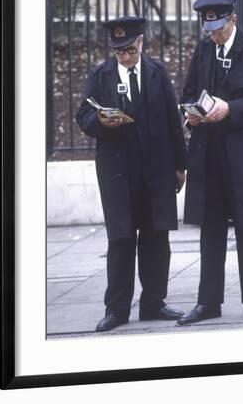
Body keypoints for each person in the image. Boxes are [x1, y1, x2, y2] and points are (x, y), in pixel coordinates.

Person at [76, 16, 186, 332]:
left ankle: (154, 302)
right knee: (121, 239)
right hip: (118, 172)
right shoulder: (101, 75)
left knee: (156, 238)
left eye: (129, 50)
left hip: (154, 170)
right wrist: (100, 122)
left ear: (140, 43)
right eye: (118, 52)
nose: (124, 57)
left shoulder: (157, 73)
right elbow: (83, 115)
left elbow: (172, 120)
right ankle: (117, 309)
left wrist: (180, 165)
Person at [177, 0, 243, 326]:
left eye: (219, 28)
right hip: (210, 154)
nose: (214, 35)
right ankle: (209, 302)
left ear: (233, 19)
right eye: (209, 30)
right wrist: (192, 113)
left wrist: (230, 109)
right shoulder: (204, 50)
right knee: (210, 229)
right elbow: (189, 92)